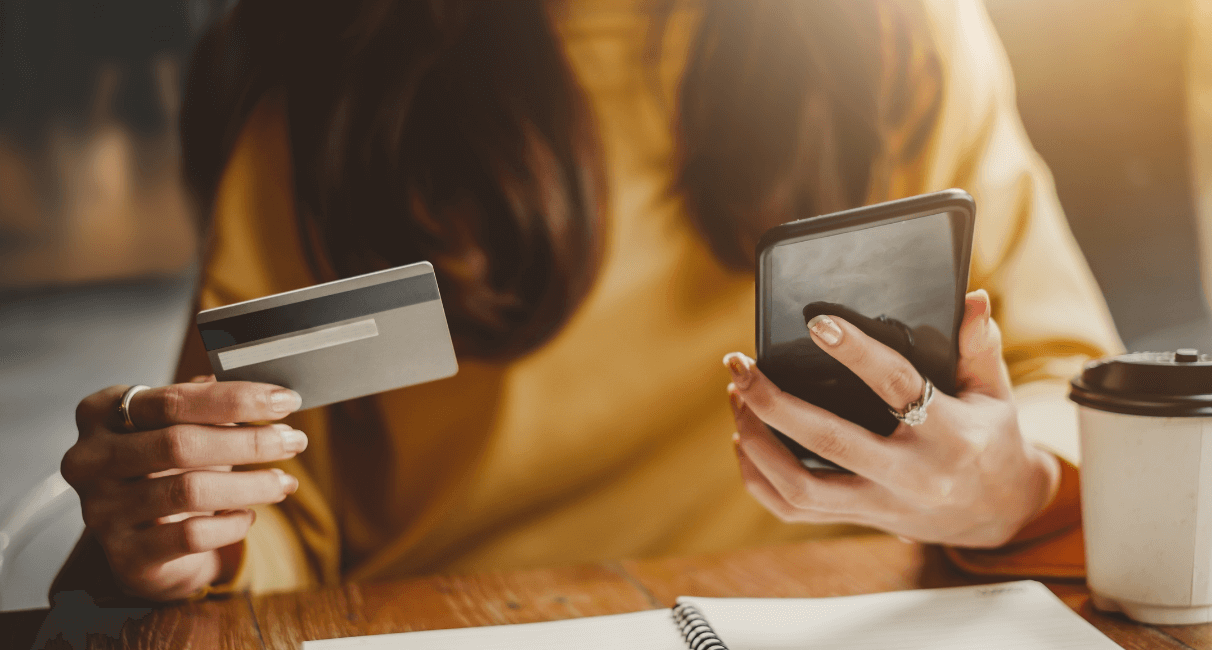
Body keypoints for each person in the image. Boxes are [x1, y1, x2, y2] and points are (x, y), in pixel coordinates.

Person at [54, 0, 1120, 602]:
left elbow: (1071, 384)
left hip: (858, 614)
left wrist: (1009, 485)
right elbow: (280, 515)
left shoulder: (908, 40)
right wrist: (200, 532)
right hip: (439, 619)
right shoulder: (320, 91)